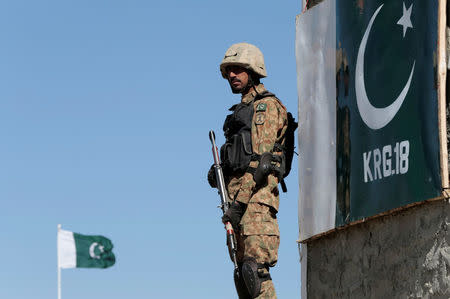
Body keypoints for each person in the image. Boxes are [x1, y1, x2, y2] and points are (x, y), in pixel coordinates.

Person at [208, 43, 288, 299]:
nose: (232, 75)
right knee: (242, 276)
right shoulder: (239, 113)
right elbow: (240, 159)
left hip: (255, 203)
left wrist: (239, 204)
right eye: (229, 70)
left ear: (253, 70)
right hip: (237, 205)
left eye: (238, 69)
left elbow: (260, 162)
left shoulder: (266, 106)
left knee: (256, 273)